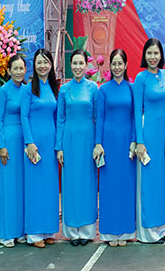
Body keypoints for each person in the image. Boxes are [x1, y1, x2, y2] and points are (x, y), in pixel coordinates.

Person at [56, 50, 98, 246]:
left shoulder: (93, 88)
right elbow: (60, 119)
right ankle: (72, 231)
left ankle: (87, 231)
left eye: (81, 63)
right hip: (70, 140)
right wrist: (59, 147)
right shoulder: (64, 89)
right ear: (70, 65)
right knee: (71, 183)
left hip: (88, 140)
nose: (78, 67)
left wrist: (98, 143)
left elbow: (98, 117)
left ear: (86, 65)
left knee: (87, 183)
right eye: (75, 63)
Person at [95, 49, 136, 247]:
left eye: (120, 63)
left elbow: (135, 117)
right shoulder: (103, 90)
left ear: (126, 65)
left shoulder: (132, 89)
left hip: (127, 142)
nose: (117, 67)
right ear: (110, 66)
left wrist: (135, 140)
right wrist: (98, 143)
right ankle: (110, 232)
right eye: (114, 63)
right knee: (109, 186)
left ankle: (126, 231)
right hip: (109, 143)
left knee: (126, 186)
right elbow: (99, 118)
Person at [133, 38, 165, 243]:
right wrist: (139, 141)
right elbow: (136, 111)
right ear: (144, 55)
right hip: (147, 135)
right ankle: (147, 232)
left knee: (162, 183)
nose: (153, 57)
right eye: (149, 53)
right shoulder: (141, 78)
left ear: (161, 55)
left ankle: (161, 229)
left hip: (163, 135)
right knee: (148, 183)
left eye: (156, 53)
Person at [21, 49, 60, 248]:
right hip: (34, 146)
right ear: (34, 65)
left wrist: (58, 145)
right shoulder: (28, 89)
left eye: (46, 62)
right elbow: (24, 117)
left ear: (51, 65)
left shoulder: (53, 88)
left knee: (49, 188)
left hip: (50, 144)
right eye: (39, 62)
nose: (43, 66)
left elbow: (57, 118)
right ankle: (35, 233)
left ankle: (48, 230)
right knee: (35, 188)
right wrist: (29, 143)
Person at [0, 55, 28, 248]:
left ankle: (20, 231)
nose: (18, 72)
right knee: (8, 187)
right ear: (8, 70)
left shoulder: (27, 90)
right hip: (8, 140)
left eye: (21, 68)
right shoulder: (3, 91)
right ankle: (6, 232)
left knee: (20, 187)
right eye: (15, 68)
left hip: (23, 141)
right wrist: (2, 146)